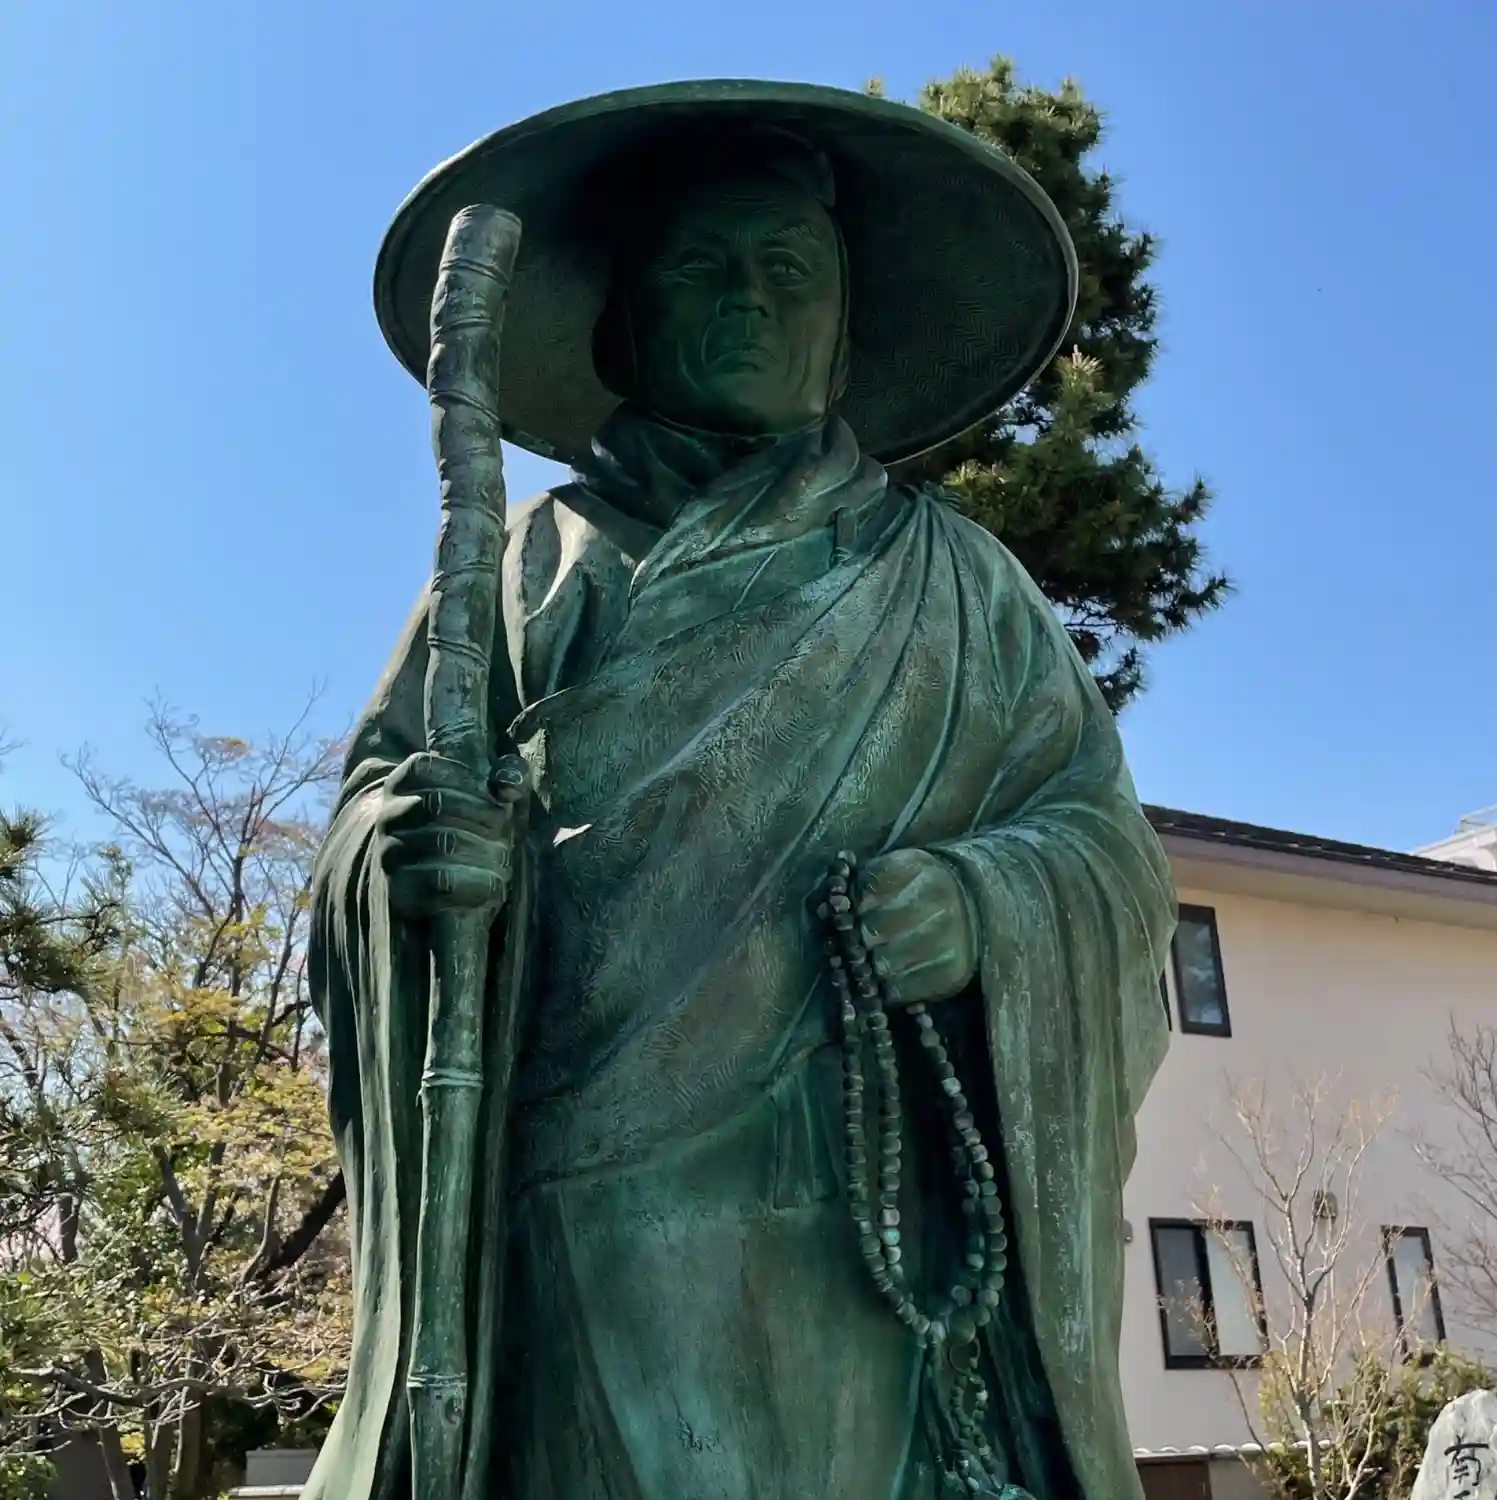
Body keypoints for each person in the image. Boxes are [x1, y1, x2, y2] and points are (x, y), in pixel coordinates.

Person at [307, 81, 1175, 1500]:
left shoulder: (955, 582)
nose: (748, 300)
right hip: (573, 1212)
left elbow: (1108, 851)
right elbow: (375, 806)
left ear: (846, 326)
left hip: (855, 1208)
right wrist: (406, 862)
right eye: (700, 265)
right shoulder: (527, 564)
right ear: (625, 317)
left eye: (788, 268)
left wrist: (981, 902)